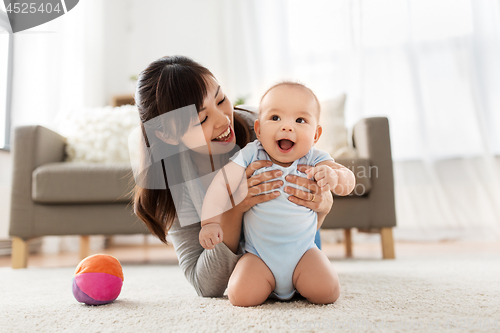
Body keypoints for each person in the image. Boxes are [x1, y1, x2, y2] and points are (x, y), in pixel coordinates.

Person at [132, 55, 335, 299]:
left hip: (299, 244)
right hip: (252, 266)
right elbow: (205, 285)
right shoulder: (174, 181)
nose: (223, 120)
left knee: (320, 286)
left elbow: (312, 190)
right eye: (202, 119)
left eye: (220, 99)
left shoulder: (263, 132)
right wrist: (234, 208)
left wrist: (322, 207)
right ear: (167, 136)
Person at [199, 82, 355, 306]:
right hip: (259, 256)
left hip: (303, 253)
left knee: (327, 292)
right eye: (275, 118)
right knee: (240, 296)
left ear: (316, 134)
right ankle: (268, 283)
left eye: (300, 120)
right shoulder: (251, 154)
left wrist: (335, 177)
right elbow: (220, 185)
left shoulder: (315, 159)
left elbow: (348, 181)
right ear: (259, 130)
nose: (287, 127)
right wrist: (210, 222)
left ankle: (300, 281)